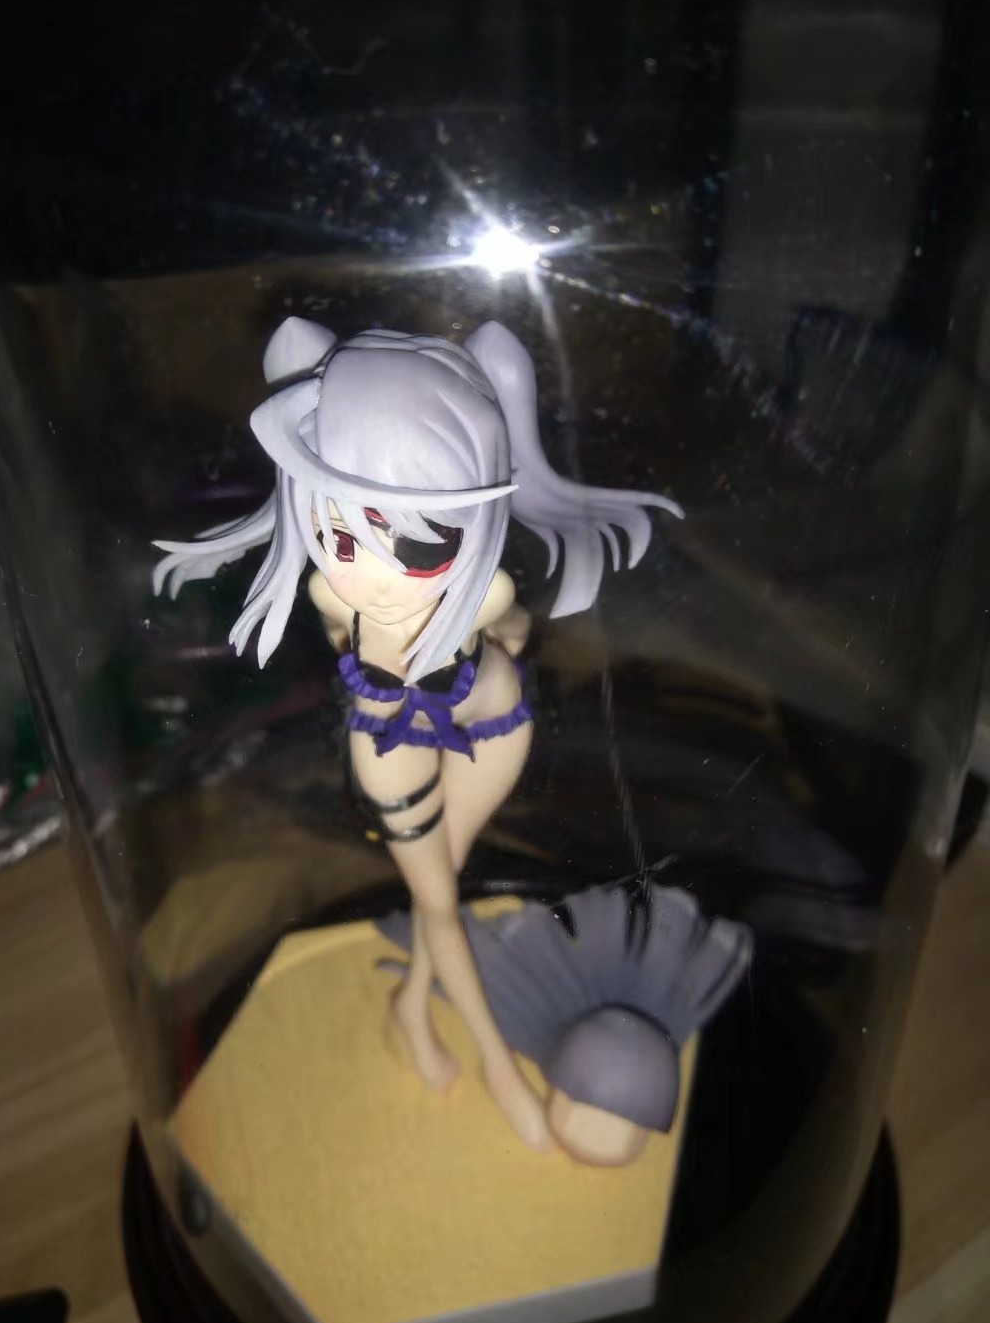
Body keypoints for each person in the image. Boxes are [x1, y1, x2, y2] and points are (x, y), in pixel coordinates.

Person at [155, 317, 681, 1150]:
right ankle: (497, 1068)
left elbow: (510, 629)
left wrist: (500, 642)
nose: (368, 574)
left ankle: (412, 1004)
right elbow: (347, 638)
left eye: (417, 543)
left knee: (444, 889)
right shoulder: (333, 595)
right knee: (438, 901)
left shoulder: (485, 592)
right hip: (389, 739)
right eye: (337, 538)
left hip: (492, 715)